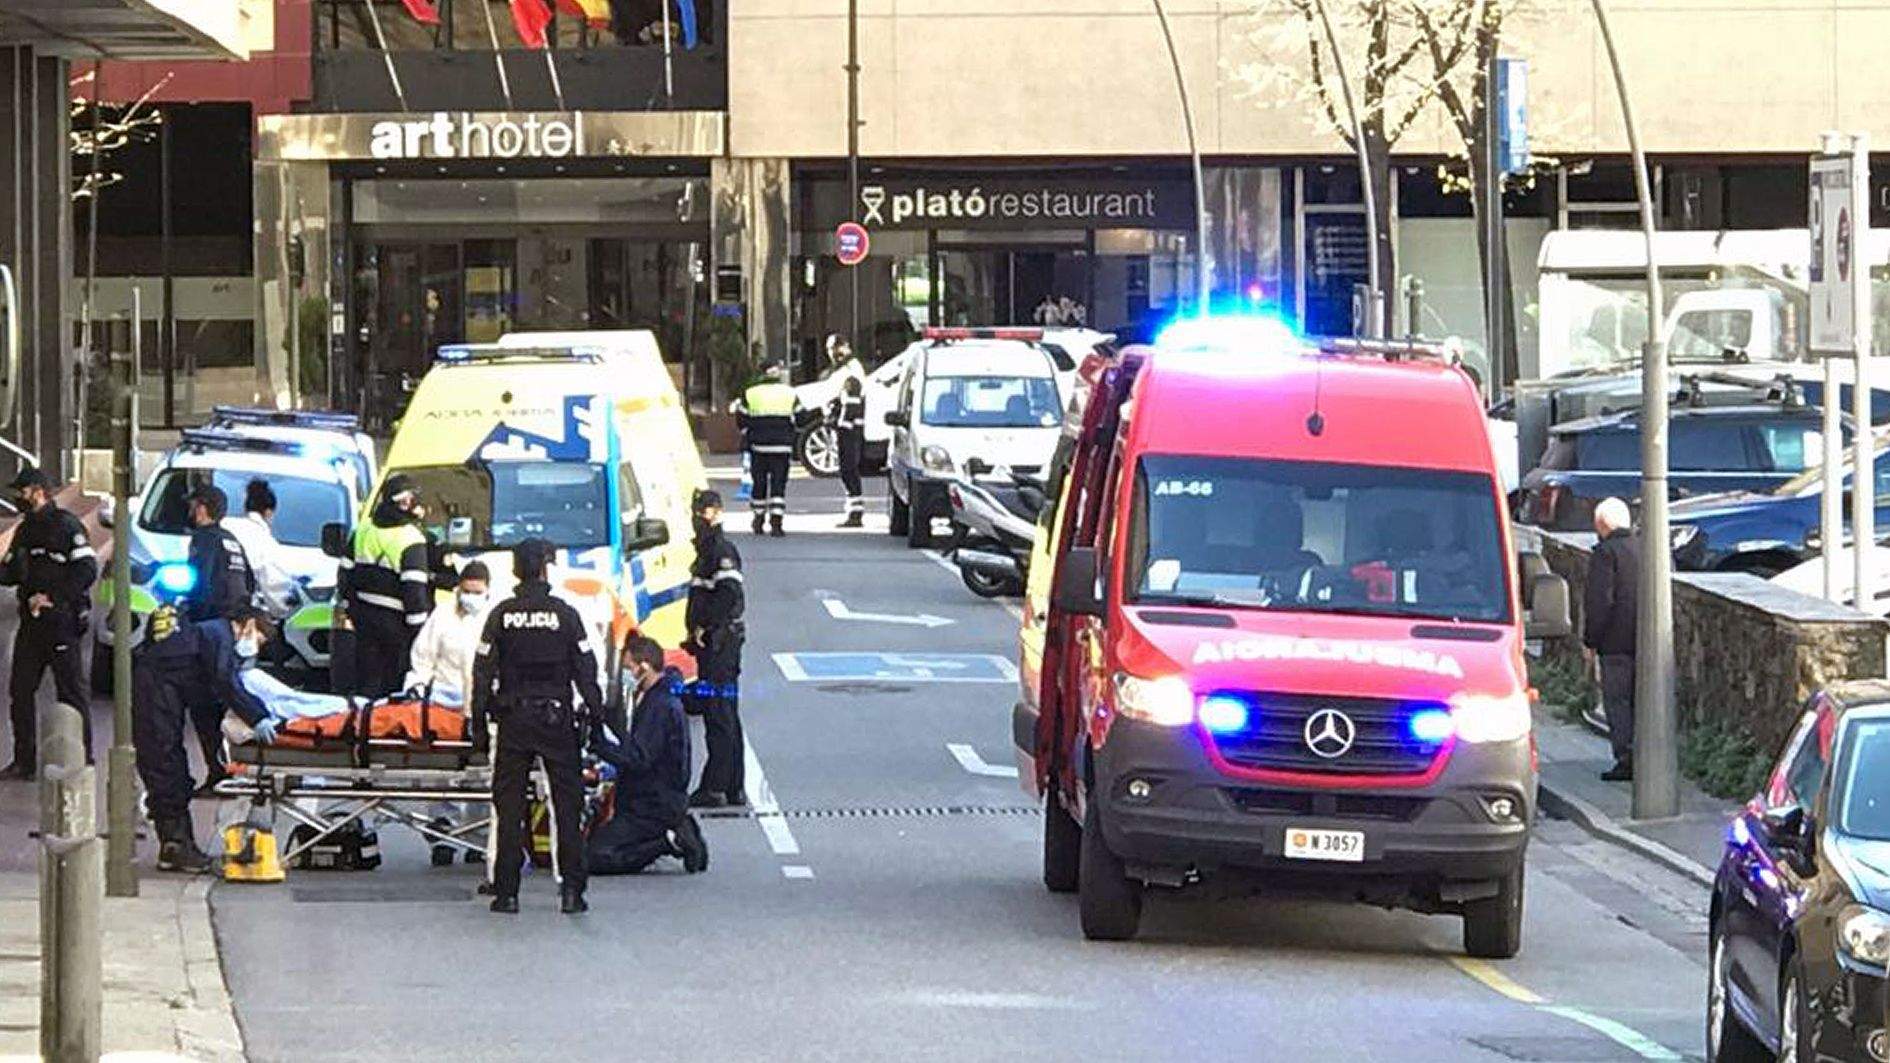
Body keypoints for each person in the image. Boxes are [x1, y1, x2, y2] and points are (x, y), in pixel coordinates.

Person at [472, 538, 604, 915]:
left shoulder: (502, 615)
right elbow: (586, 670)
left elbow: (481, 674)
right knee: (567, 806)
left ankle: (507, 893)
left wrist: (478, 725)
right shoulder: (565, 615)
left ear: (516, 570)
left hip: (513, 720)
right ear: (545, 570)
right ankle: (572, 891)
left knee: (510, 808)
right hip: (556, 720)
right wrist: (597, 718)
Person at [132, 605, 280, 872]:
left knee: (170, 767)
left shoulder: (206, 636)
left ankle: (176, 845)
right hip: (156, 697)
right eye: (258, 641)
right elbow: (226, 682)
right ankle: (176, 846)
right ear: (248, 625)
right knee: (166, 767)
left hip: (160, 693)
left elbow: (211, 696)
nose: (254, 649)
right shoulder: (218, 636)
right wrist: (257, 717)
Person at [0, 468, 97, 780]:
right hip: (32, 624)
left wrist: (53, 597)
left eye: (23, 491)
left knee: (71, 691)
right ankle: (24, 760)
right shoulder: (25, 529)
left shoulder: (66, 526)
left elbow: (87, 569)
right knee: (20, 690)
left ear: (39, 491)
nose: (19, 497)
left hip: (61, 622)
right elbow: (12, 572)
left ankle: (82, 756)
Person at [587, 635, 708, 875]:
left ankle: (668, 841)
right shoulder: (660, 698)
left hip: (650, 805)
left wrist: (601, 747)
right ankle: (674, 830)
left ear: (644, 667)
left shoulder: (658, 706)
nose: (626, 675)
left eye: (628, 668)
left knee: (594, 856)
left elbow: (639, 759)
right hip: (655, 799)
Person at [406, 559, 494, 867]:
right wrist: (417, 688)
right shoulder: (442, 616)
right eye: (466, 591)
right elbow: (422, 658)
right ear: (458, 589)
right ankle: (442, 834)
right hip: (445, 700)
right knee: (442, 773)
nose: (471, 597)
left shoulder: (495, 617)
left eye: (477, 592)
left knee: (480, 773)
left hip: (480, 702)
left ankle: (478, 837)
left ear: (488, 591)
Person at [181, 484, 257, 792]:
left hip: (210, 626)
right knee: (226, 696)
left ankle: (219, 773)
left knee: (203, 703)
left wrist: (185, 608)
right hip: (235, 626)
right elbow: (249, 582)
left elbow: (198, 582)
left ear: (202, 508)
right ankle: (232, 768)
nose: (190, 511)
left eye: (193, 505)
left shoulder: (204, 539)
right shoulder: (231, 540)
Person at [338, 473, 431, 699]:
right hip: (396, 626)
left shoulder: (363, 530)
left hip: (364, 620)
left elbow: (345, 574)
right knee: (394, 688)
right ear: (405, 502)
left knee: (367, 685)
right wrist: (420, 632)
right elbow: (415, 594)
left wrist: (351, 608)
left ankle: (363, 717)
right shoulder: (411, 539)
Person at [685, 490, 747, 809]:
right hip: (715, 646)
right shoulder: (707, 551)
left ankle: (717, 786)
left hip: (720, 646)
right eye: (697, 512)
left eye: (706, 512)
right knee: (724, 713)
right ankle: (733, 786)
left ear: (719, 513)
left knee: (719, 714)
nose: (700, 518)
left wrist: (705, 626)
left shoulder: (721, 552)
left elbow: (730, 594)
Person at [1584, 497, 1641, 782]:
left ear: (1602, 525)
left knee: (1617, 702)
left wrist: (1590, 640)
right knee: (1640, 701)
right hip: (1646, 643)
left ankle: (1626, 758)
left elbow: (1600, 602)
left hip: (1615, 643)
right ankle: (1645, 755)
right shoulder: (1646, 548)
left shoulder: (1605, 554)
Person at [737, 360, 798, 537]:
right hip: (782, 447)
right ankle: (776, 523)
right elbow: (801, 417)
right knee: (779, 484)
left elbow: (741, 419)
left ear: (761, 374)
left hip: (759, 446)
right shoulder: (790, 393)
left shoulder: (751, 393)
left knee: (759, 483)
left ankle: (758, 520)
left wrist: (750, 432)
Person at [222, 479, 296, 617]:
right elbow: (275, 589)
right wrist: (285, 610)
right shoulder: (266, 543)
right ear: (268, 513)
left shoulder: (224, 525)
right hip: (237, 612)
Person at [831, 372, 867, 528]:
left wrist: (831, 418)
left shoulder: (850, 404)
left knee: (849, 475)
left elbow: (843, 426)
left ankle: (855, 514)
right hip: (854, 443)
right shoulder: (858, 402)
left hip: (848, 444)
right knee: (852, 476)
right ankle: (855, 512)